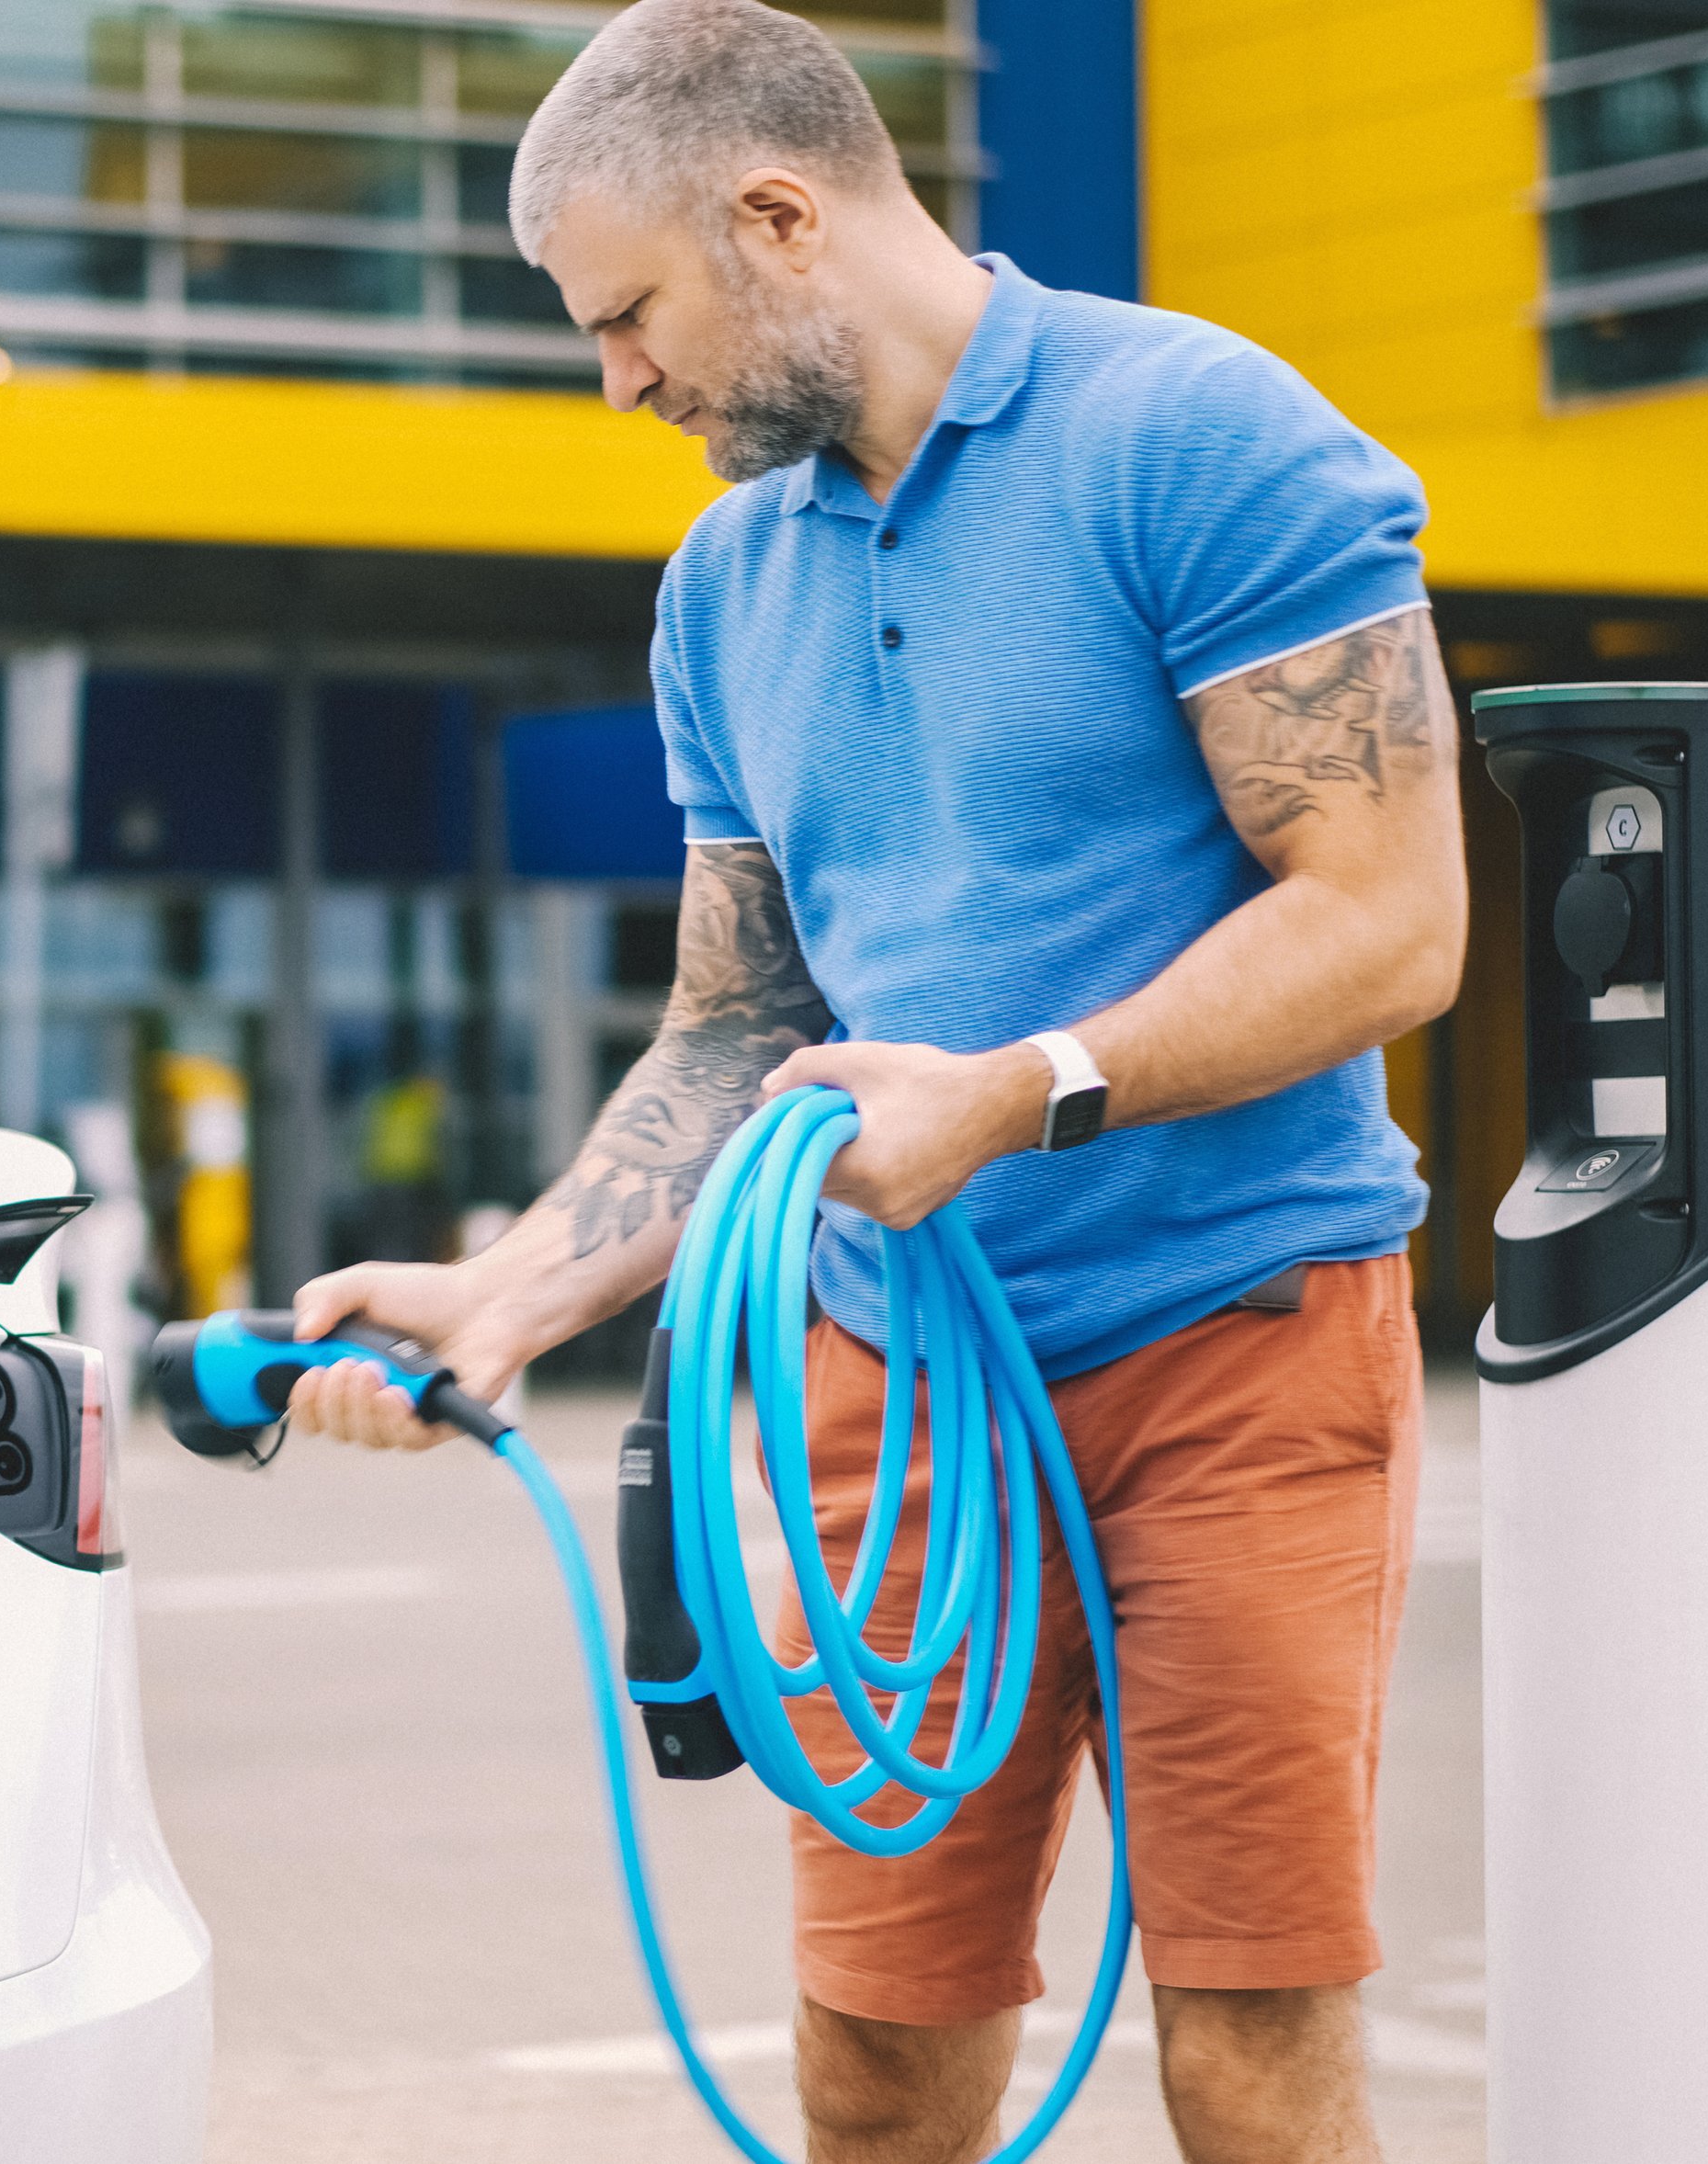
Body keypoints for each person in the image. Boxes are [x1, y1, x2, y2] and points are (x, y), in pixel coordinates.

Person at [280, 4, 1464, 2159]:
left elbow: (1391, 915)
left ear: (777, 215)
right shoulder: (727, 582)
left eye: (630, 314)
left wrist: (1022, 1089)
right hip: (905, 1373)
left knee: (1249, 2058)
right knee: (876, 2063)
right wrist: (512, 1292)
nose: (618, 378)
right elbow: (737, 1021)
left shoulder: (1195, 435)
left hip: (1239, 1348)